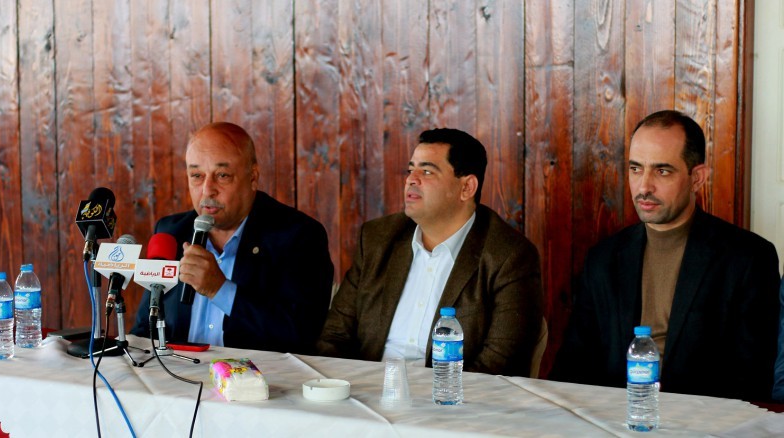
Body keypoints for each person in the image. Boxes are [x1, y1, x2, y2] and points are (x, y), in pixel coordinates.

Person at [551, 110, 780, 401]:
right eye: (636, 169)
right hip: (612, 414)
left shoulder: (747, 258)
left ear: (697, 178)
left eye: (662, 171)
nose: (644, 186)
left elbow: (752, 378)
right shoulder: (604, 258)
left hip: (703, 418)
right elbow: (572, 367)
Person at [316, 128, 543, 376]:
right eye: (410, 170)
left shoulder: (509, 255)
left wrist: (436, 396)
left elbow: (501, 362)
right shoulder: (377, 239)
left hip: (451, 396)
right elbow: (335, 335)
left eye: (427, 171)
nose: (411, 180)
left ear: (467, 188)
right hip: (366, 388)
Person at [131, 122, 333, 353]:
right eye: (196, 175)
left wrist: (219, 289)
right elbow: (144, 329)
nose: (207, 190)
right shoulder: (171, 232)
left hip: (258, 373)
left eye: (222, 175)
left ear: (253, 178)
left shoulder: (299, 236)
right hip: (177, 370)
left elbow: (301, 333)